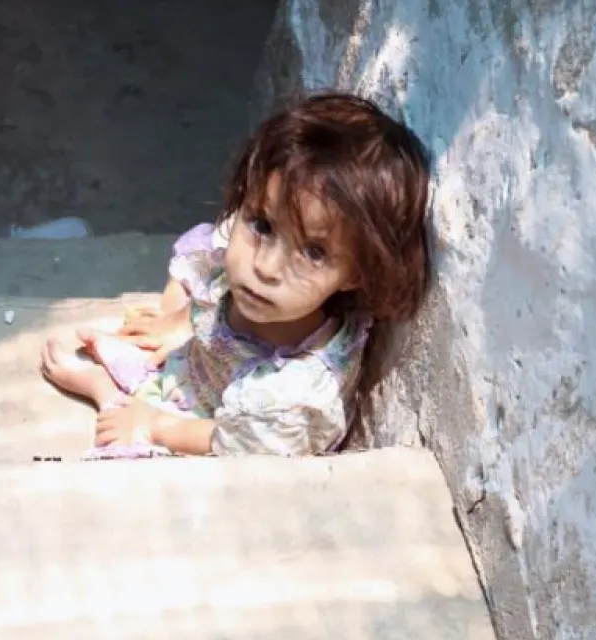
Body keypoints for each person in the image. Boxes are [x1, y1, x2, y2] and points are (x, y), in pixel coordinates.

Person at [40, 91, 432, 459]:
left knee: (125, 450)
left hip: (208, 423)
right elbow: (215, 266)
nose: (266, 267)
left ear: (357, 273)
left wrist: (155, 426)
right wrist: (180, 321)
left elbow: (227, 440)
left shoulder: (290, 396)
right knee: (203, 267)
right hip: (203, 369)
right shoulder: (263, 283)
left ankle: (106, 393)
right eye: (262, 224)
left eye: (314, 252)